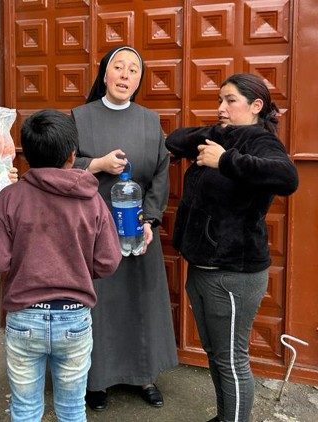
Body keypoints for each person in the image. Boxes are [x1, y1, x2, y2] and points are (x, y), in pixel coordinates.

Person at [165, 73, 299, 422]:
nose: (221, 108)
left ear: (256, 106)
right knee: (214, 352)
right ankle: (227, 417)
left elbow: (288, 177)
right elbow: (176, 140)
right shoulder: (221, 135)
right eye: (220, 100)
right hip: (202, 265)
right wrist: (215, 134)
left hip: (233, 274)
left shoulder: (261, 142)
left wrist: (224, 160)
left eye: (230, 101)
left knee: (232, 359)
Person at [0, 109, 122, 422]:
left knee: (26, 409)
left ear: (26, 155)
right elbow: (109, 261)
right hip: (74, 318)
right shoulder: (92, 200)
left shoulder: (9, 198)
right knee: (71, 410)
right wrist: (79, 270)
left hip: (24, 318)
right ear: (72, 155)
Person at [71, 46, 178, 410]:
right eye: (119, 67)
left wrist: (150, 219)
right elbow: (61, 167)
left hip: (138, 233)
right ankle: (96, 381)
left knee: (140, 303)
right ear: (105, 74)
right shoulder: (80, 117)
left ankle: (144, 376)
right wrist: (97, 163)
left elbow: (161, 172)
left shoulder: (150, 120)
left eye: (133, 70)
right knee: (100, 306)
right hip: (92, 230)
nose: (125, 75)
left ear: (139, 80)